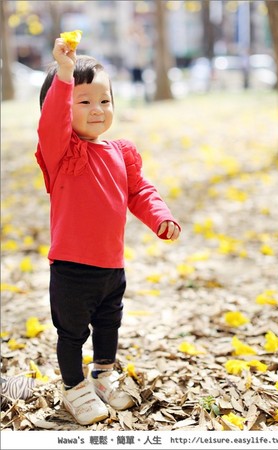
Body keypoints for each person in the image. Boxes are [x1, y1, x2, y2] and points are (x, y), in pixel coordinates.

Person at [35, 37, 181, 426]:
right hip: (70, 268)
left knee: (108, 326)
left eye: (104, 100)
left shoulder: (121, 152)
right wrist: (65, 74)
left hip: (111, 266)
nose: (97, 109)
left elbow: (141, 191)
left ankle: (101, 376)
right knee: (71, 334)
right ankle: (74, 389)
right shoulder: (61, 153)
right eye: (83, 102)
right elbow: (51, 123)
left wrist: (160, 216)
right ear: (64, 109)